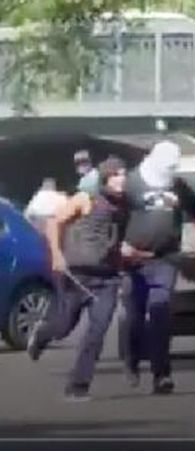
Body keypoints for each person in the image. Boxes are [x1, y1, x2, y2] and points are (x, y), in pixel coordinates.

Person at [27, 157, 132, 401]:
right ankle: (43, 333)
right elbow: (54, 222)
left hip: (107, 278)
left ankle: (78, 385)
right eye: (116, 174)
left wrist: (122, 263)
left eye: (124, 174)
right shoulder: (85, 199)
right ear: (106, 178)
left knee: (97, 332)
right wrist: (56, 254)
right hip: (77, 274)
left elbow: (116, 238)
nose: (121, 179)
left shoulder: (124, 205)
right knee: (63, 326)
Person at [121, 141, 195, 394]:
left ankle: (162, 374)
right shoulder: (131, 183)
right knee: (134, 316)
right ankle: (131, 360)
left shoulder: (179, 187)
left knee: (160, 313)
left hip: (165, 258)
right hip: (133, 261)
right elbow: (114, 218)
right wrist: (118, 248)